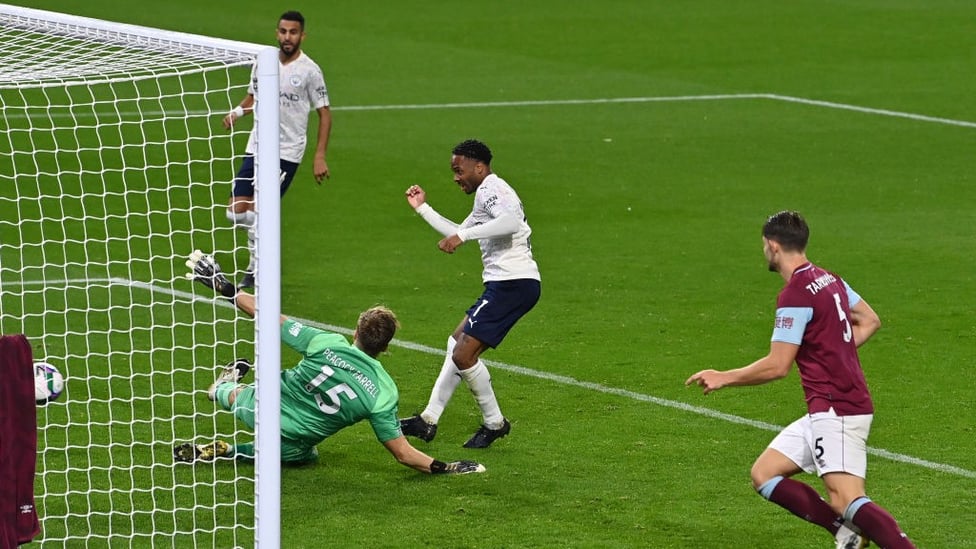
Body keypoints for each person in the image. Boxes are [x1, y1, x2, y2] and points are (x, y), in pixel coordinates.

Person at [685, 211, 915, 549]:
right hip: (828, 406)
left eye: (764, 245)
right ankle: (844, 533)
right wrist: (830, 349)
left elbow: (778, 365)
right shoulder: (829, 279)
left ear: (773, 246)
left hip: (836, 410)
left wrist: (724, 377)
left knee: (846, 499)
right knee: (764, 474)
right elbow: (869, 320)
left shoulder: (795, 294)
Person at [173, 250, 485, 476]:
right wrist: (447, 467)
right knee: (304, 455)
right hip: (294, 438)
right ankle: (234, 450)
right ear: (387, 347)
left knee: (237, 396)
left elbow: (266, 315)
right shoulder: (382, 391)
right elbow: (403, 454)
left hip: (256, 406)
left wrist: (226, 288)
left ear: (355, 332)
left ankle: (222, 389)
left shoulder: (325, 342)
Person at [399, 139, 541, 449]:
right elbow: (458, 230)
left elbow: (510, 222)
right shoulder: (484, 196)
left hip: (512, 283)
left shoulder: (493, 189)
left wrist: (463, 236)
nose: (455, 177)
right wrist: (423, 208)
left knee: (464, 354)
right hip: (507, 283)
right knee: (456, 341)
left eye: (458, 170)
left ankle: (495, 423)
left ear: (479, 167)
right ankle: (428, 419)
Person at [222, 10, 331, 289]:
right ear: (277, 33)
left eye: (293, 32)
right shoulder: (264, 62)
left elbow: (325, 114)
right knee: (235, 212)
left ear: (302, 35)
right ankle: (264, 251)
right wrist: (237, 112)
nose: (287, 37)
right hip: (257, 145)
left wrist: (319, 156)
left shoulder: (310, 70)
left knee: (260, 210)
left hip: (287, 151)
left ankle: (256, 266)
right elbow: (253, 96)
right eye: (283, 31)